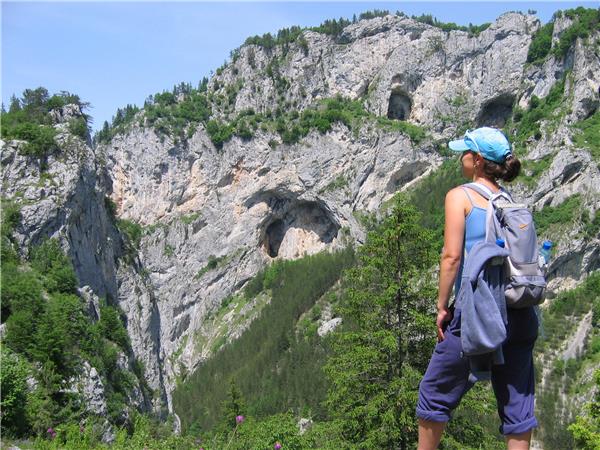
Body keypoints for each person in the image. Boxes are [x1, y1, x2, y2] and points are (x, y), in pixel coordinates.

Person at [416, 127, 538, 450]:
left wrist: (442, 307)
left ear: (478, 161)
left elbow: (451, 257)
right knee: (518, 409)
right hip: (521, 313)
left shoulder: (460, 197)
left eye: (465, 152)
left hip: (478, 312)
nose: (461, 157)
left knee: (433, 395)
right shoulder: (509, 203)